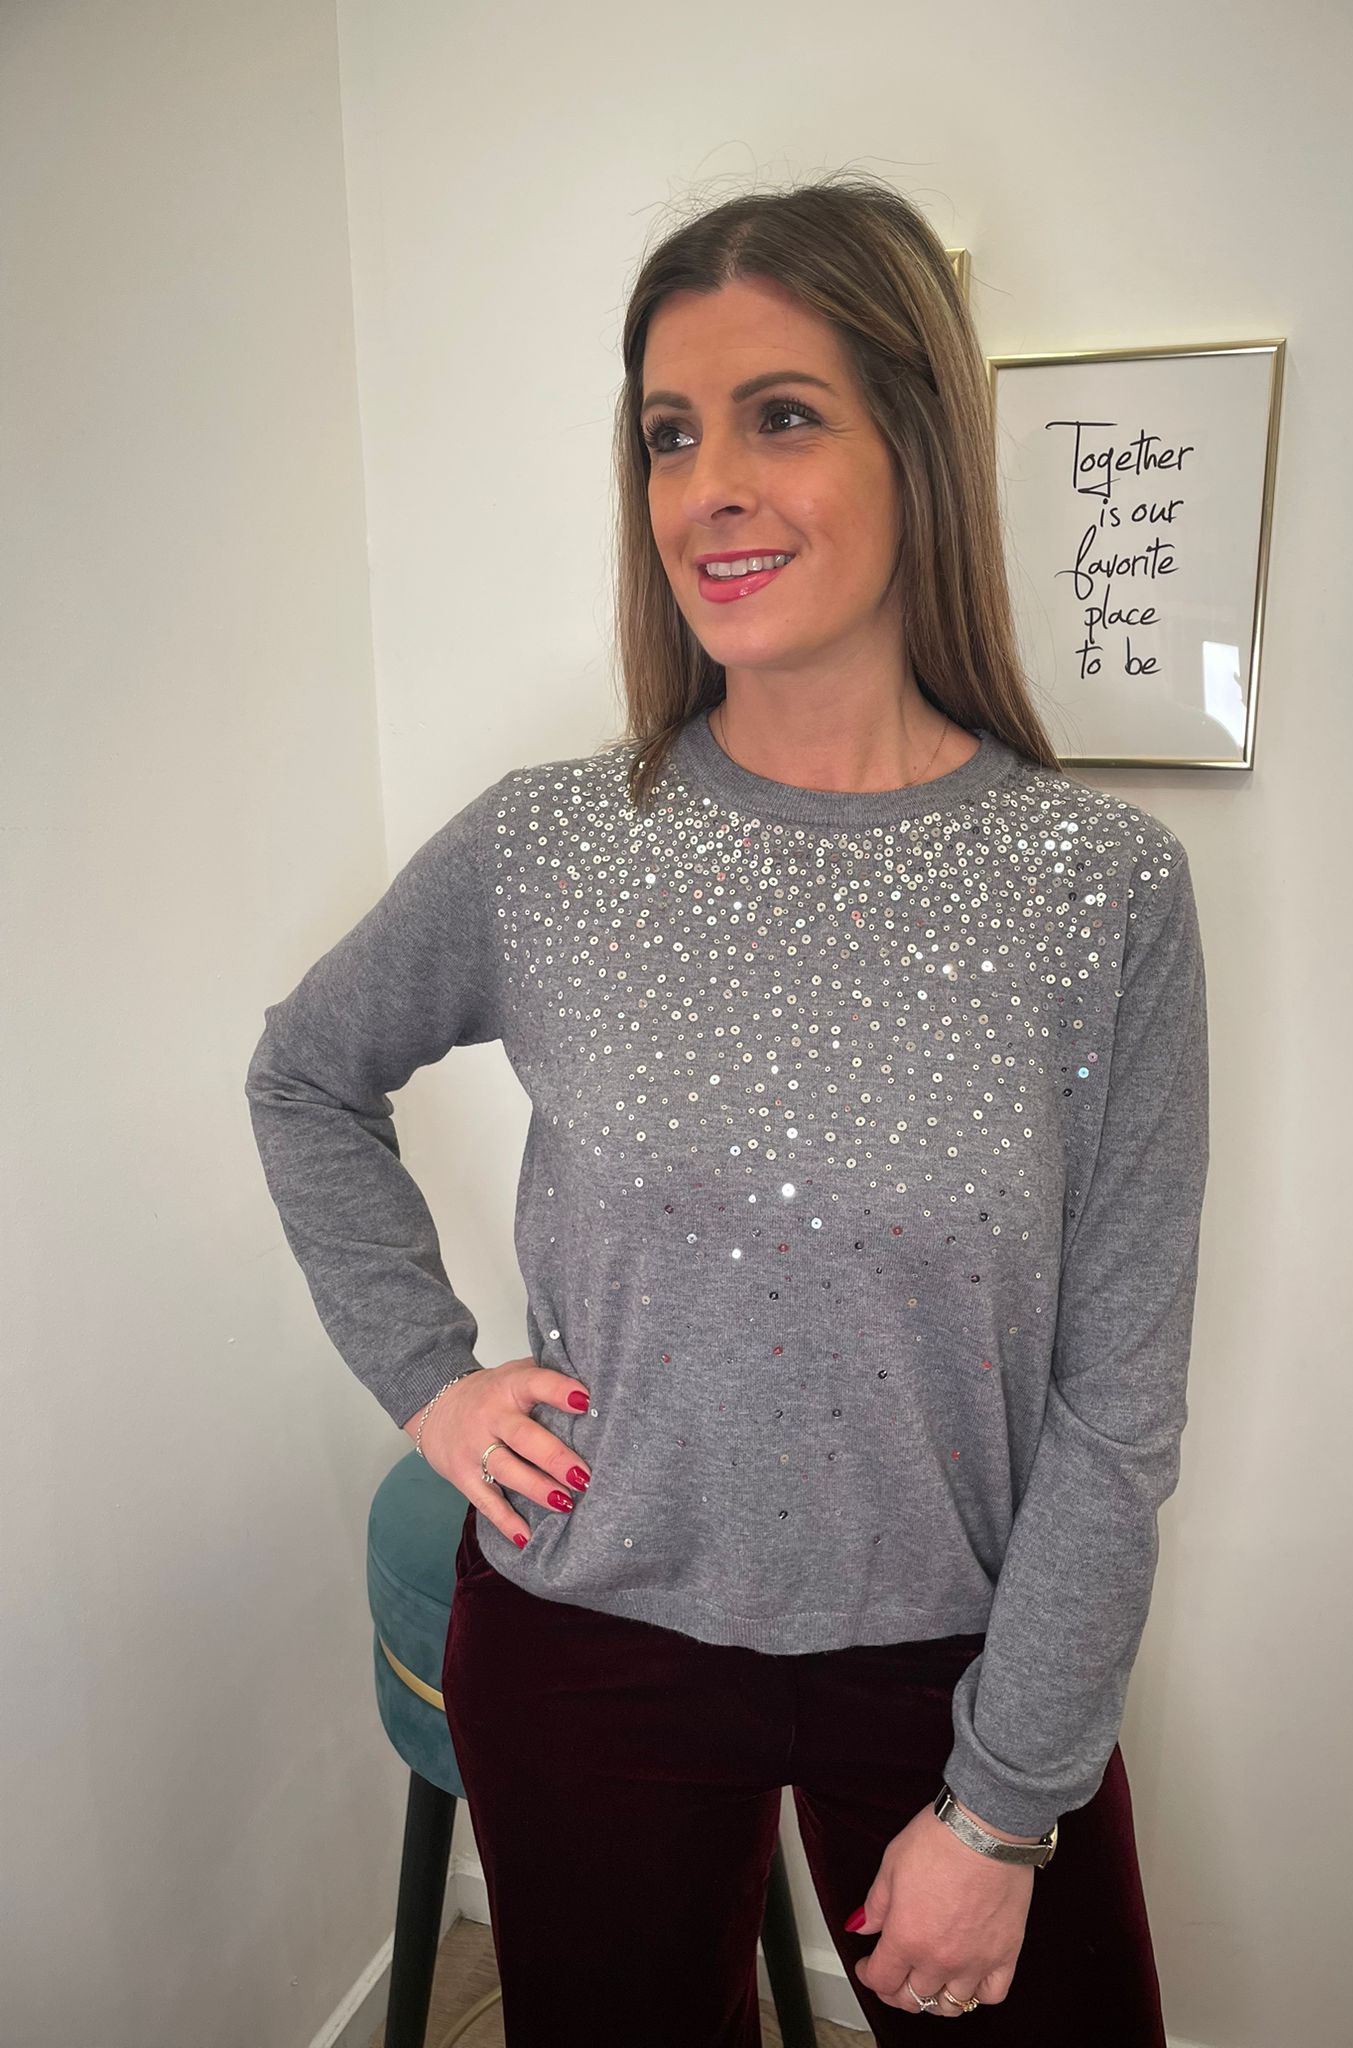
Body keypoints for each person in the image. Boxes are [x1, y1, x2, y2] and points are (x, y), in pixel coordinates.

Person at [245, 172, 1209, 2045]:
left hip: (957, 1660)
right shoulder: (552, 844)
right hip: (587, 1637)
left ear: (916, 446)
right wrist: (431, 1379)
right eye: (670, 435)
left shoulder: (1099, 890)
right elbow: (305, 1072)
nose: (708, 489)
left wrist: (1006, 1805)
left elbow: (1118, 1409)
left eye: (781, 417)